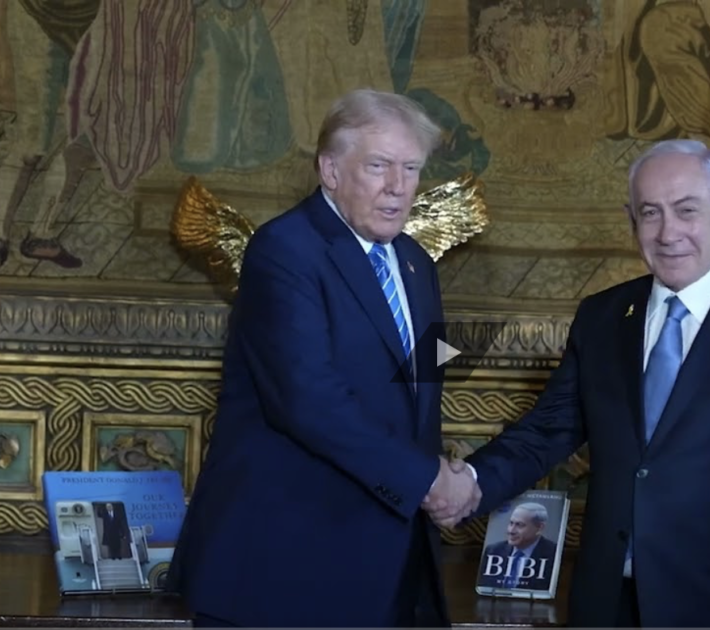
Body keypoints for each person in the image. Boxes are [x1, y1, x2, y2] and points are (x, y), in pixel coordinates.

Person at [450, 139, 710, 627]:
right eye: (650, 213)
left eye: (686, 210)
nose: (668, 232)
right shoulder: (602, 317)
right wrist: (468, 482)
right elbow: (549, 429)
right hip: (605, 606)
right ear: (631, 220)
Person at [167, 88, 479, 627]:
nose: (398, 186)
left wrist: (458, 475)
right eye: (378, 166)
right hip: (285, 569)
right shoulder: (285, 249)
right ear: (330, 170)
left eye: (411, 168)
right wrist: (429, 480)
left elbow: (421, 376)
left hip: (391, 567)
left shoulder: (414, 263)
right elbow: (308, 399)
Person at [477, 502, 558, 592]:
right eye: (511, 523)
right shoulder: (493, 550)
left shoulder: (554, 554)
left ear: (539, 528)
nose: (511, 531)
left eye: (519, 525)